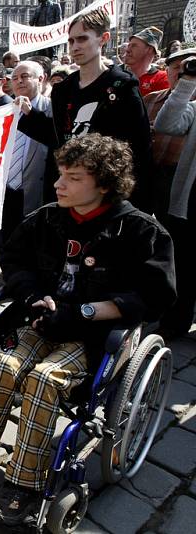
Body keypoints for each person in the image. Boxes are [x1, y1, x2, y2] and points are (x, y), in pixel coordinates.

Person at [0, 133, 176, 526]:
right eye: (61, 174)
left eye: (73, 177)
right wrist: (31, 296)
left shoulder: (139, 231)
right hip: (42, 319)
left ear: (104, 184)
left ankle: (24, 484)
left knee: (45, 379)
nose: (59, 184)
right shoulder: (46, 218)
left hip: (94, 334)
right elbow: (14, 261)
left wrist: (82, 312)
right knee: (2, 367)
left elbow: (153, 296)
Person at [16, 9, 153, 212]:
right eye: (71, 41)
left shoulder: (121, 87)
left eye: (82, 39)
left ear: (103, 38)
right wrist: (29, 116)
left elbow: (139, 148)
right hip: (69, 191)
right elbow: (59, 138)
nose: (75, 47)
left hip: (106, 193)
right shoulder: (63, 90)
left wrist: (134, 205)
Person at [0, 61, 53, 259]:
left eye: (25, 76)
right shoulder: (3, 112)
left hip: (36, 189)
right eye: (15, 78)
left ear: (41, 79)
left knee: (35, 244)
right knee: (10, 242)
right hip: (7, 188)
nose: (19, 81)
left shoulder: (51, 109)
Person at [153, 54, 196, 339]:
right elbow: (166, 124)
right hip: (189, 201)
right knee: (184, 262)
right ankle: (176, 321)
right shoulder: (194, 108)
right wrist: (187, 81)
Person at [143, 47, 196, 221]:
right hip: (148, 174)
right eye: (176, 67)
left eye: (187, 66)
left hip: (176, 177)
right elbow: (165, 124)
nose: (180, 72)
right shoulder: (150, 99)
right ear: (166, 71)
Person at [124, 26, 169, 96]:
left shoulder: (161, 78)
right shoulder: (116, 73)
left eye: (134, 46)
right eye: (128, 45)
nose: (127, 50)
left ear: (149, 49)